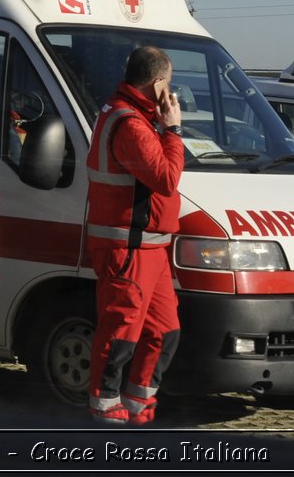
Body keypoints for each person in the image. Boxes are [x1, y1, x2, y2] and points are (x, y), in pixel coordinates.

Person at [84, 44, 184, 426]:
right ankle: (105, 408)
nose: (171, 92)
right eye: (169, 84)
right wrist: (173, 129)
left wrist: (162, 126)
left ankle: (138, 406)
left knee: (165, 330)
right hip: (127, 246)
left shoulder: (137, 117)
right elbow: (166, 179)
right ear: (158, 83)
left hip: (150, 247)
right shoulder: (129, 123)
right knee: (121, 330)